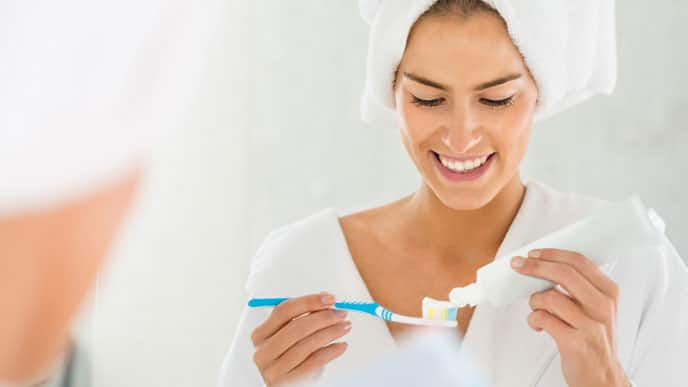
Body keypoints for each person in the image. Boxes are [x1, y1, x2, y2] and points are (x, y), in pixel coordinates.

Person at [219, 1, 688, 386]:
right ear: (392, 91)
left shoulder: (631, 267)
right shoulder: (302, 265)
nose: (461, 138)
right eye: (428, 98)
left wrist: (604, 380)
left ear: (539, 92)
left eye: (496, 99)